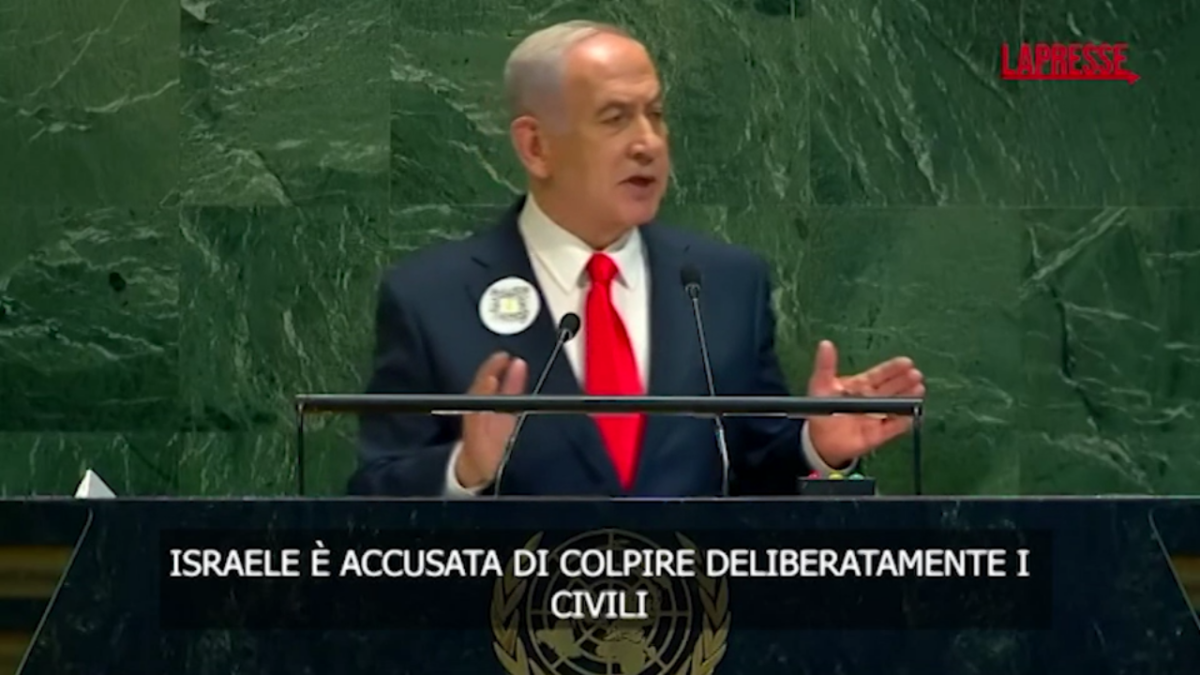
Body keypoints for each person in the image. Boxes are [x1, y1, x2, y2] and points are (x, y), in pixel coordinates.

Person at [349, 20, 925, 497]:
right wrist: (464, 470)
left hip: (693, 602)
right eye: (615, 118)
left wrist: (816, 447)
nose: (648, 142)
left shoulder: (725, 285)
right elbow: (371, 497)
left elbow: (753, 466)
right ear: (536, 146)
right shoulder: (431, 297)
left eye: (656, 113)